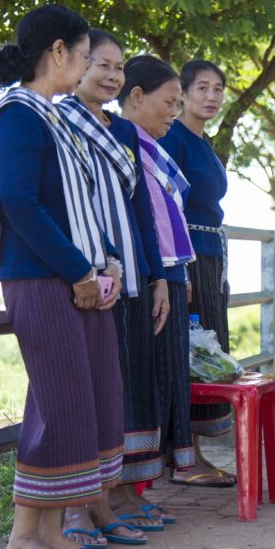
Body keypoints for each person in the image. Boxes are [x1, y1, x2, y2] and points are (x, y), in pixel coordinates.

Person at [0, 5, 120, 549]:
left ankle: (54, 529)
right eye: (85, 56)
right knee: (58, 405)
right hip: (41, 279)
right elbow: (22, 204)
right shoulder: (17, 116)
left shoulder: (53, 117)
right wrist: (80, 272)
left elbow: (79, 207)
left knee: (80, 402)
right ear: (58, 52)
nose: (87, 68)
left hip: (75, 279)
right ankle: (21, 540)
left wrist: (103, 264)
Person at [57, 30, 168, 543]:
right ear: (77, 64)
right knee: (93, 392)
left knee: (129, 385)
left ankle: (120, 494)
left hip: (134, 275)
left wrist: (159, 276)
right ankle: (82, 505)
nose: (112, 76)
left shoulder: (124, 132)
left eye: (119, 69)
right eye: (102, 64)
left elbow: (143, 209)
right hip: (90, 274)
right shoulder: (59, 120)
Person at [116, 54, 199, 509]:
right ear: (136, 96)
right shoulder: (124, 144)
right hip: (144, 275)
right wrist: (156, 277)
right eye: (168, 102)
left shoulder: (150, 148)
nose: (173, 112)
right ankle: (120, 493)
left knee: (160, 383)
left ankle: (135, 490)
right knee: (138, 382)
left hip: (168, 271)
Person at [158, 59, 236, 486]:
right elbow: (168, 206)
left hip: (210, 255)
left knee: (206, 353)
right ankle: (183, 457)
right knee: (188, 353)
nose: (211, 97)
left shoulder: (205, 143)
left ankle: (193, 453)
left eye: (218, 89)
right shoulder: (176, 139)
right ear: (183, 93)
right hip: (188, 256)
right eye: (202, 88)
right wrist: (182, 270)